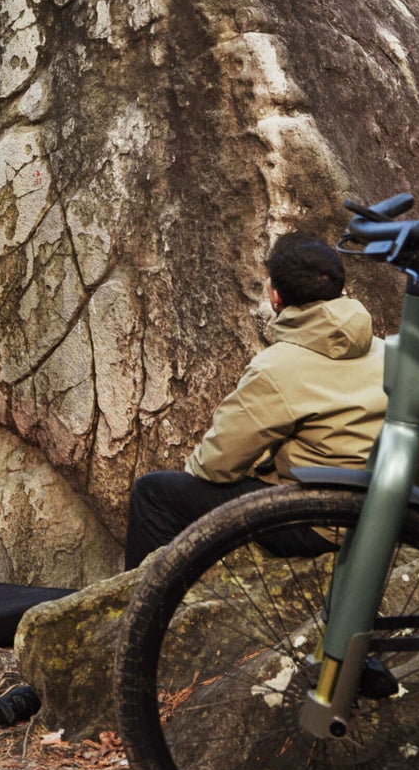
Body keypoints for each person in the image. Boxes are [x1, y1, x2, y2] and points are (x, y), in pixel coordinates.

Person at [123, 233, 388, 570]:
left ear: (276, 297)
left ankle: (140, 612)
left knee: (155, 494)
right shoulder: (388, 351)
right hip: (380, 511)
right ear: (337, 287)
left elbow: (215, 466)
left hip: (317, 523)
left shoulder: (278, 367)